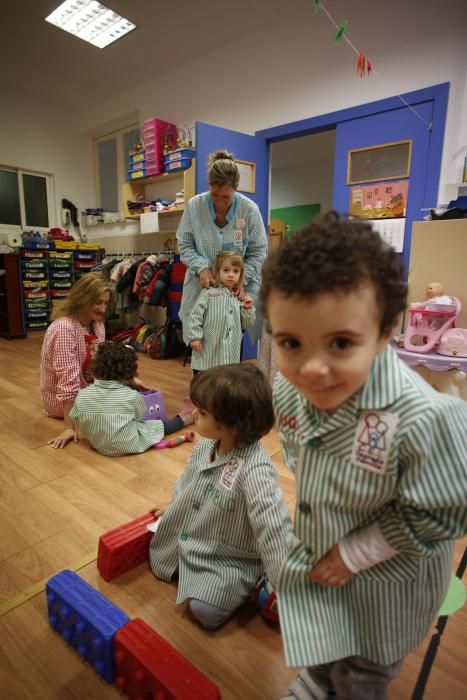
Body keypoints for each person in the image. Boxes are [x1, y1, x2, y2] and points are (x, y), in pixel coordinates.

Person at [259, 212, 467, 700]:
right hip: (323, 551)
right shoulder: (290, 392)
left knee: (364, 670)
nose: (312, 369)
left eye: (341, 343)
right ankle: (319, 676)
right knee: (328, 633)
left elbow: (443, 510)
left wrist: (355, 553)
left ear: (387, 329)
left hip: (389, 584)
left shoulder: (425, 418)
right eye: (290, 342)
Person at [149, 364, 295, 631]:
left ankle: (257, 579)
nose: (193, 414)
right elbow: (189, 477)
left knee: (203, 611)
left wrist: (287, 587)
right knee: (159, 554)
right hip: (199, 534)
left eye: (202, 412)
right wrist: (175, 500)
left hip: (232, 555)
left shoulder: (255, 469)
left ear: (233, 425)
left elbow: (273, 529)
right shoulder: (207, 443)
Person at [177, 149, 267, 346]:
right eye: (214, 195)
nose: (219, 202)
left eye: (225, 197)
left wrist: (242, 279)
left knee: (231, 347)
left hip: (237, 291)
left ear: (235, 188)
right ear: (209, 186)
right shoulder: (194, 207)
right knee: (201, 348)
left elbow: (259, 251)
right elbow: (184, 244)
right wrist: (201, 267)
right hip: (201, 288)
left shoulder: (249, 210)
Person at [69, 342, 194, 457]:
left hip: (99, 446)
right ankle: (186, 418)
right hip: (130, 444)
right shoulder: (132, 396)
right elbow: (141, 417)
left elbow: (76, 418)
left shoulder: (82, 395)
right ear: (129, 374)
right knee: (160, 426)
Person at [40, 272, 111, 449]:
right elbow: (68, 381)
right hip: (61, 401)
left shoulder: (97, 324)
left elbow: (101, 365)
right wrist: (69, 428)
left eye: (106, 303)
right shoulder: (64, 328)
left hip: (87, 391)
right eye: (98, 302)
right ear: (83, 298)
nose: (103, 309)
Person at [188, 251, 255, 372]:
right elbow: (196, 315)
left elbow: (246, 324)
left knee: (227, 381)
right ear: (218, 271)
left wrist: (248, 308)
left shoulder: (239, 298)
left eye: (235, 271)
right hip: (210, 349)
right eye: (226, 270)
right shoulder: (208, 293)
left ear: (241, 274)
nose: (231, 275)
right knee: (208, 379)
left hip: (230, 352)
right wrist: (195, 337)